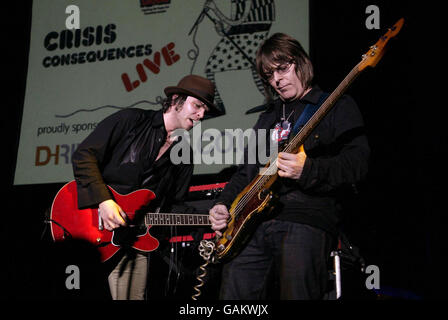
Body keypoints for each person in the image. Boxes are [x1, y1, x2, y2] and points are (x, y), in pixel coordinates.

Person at [209, 33, 370, 299]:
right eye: (269, 75)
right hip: (253, 224)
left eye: (282, 69)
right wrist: (224, 204)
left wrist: (307, 170)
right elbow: (246, 172)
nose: (277, 80)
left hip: (305, 218)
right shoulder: (268, 117)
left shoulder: (334, 105)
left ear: (300, 63)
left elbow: (358, 164)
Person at [72, 74, 220, 300]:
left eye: (205, 111)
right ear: (176, 100)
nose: (201, 115)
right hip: (91, 228)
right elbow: (84, 155)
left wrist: (208, 219)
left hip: (135, 242)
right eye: (197, 105)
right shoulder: (131, 120)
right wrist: (104, 201)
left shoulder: (185, 155)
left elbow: (173, 206)